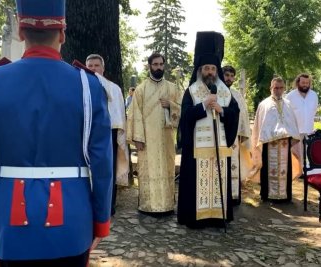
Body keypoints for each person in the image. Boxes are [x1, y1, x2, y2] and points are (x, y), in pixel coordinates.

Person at [0, 0, 113, 265]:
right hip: (72, 219)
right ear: (63, 34)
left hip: (11, 219)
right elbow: (101, 162)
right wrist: (101, 219)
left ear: (21, 32)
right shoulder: (87, 85)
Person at [177, 32, 240, 229]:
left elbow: (235, 113)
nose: (210, 72)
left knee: (218, 182)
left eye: (213, 68)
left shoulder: (225, 92)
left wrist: (223, 110)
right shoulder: (192, 91)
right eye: (207, 68)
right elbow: (185, 117)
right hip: (197, 149)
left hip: (219, 148)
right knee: (196, 185)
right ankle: (197, 218)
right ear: (200, 70)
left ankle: (217, 216)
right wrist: (203, 105)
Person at [126, 53, 181, 215]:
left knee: (166, 169)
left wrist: (170, 105)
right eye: (155, 64)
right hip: (147, 140)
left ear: (164, 66)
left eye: (161, 64)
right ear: (149, 66)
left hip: (166, 139)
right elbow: (134, 115)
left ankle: (167, 205)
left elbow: (181, 111)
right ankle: (148, 205)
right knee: (148, 171)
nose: (158, 67)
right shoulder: (141, 89)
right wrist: (138, 139)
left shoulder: (172, 88)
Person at [86, 53, 129, 216]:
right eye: (90, 65)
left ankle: (107, 206)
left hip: (107, 134)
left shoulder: (114, 88)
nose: (93, 69)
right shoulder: (78, 85)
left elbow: (118, 116)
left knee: (107, 170)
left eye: (96, 65)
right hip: (85, 134)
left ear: (103, 68)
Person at [251, 77, 301, 202]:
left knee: (285, 169)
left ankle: (284, 196)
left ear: (283, 88)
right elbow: (260, 125)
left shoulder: (288, 104)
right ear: (271, 88)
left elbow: (292, 122)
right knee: (268, 169)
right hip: (269, 143)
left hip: (285, 143)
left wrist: (290, 135)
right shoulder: (264, 104)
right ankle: (267, 195)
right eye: (275, 88)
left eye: (280, 88)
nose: (278, 90)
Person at [222, 65, 252, 205]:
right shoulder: (216, 92)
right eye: (226, 75)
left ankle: (233, 196)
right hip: (220, 136)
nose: (229, 78)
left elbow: (244, 116)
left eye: (231, 76)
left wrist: (243, 134)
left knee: (234, 165)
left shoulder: (237, 95)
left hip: (234, 138)